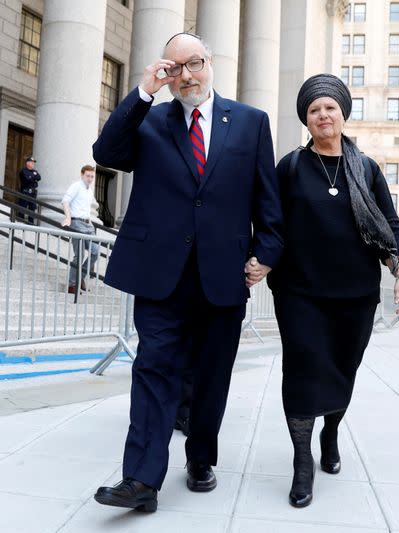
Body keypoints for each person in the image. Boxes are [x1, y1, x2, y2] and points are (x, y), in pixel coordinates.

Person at [91, 32, 283, 512]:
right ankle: (140, 479)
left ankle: (200, 457)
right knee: (153, 368)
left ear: (210, 62)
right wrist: (141, 92)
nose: (186, 75)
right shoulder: (151, 121)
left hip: (224, 275)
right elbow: (107, 154)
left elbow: (268, 202)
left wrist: (267, 252)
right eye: (175, 68)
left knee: (211, 375)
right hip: (160, 275)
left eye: (193, 63)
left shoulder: (250, 122)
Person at [266, 73, 399, 508]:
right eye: (314, 110)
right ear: (306, 120)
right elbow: (271, 224)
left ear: (343, 114)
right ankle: (302, 461)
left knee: (342, 370)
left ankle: (330, 431)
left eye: (330, 107)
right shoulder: (290, 168)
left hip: (355, 294)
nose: (323, 115)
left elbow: (390, 226)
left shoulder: (366, 169)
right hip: (299, 293)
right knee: (304, 369)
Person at [61, 165, 101, 295]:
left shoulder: (89, 190)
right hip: (76, 223)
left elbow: (85, 207)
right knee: (79, 255)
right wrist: (68, 218)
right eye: (88, 176)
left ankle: (81, 277)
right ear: (82, 175)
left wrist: (89, 220)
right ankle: (72, 284)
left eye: (92, 176)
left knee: (95, 252)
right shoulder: (76, 186)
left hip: (87, 225)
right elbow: (65, 201)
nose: (90, 178)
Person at [17, 156, 41, 224]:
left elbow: (39, 177)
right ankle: (20, 222)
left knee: (32, 208)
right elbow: (28, 179)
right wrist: (33, 177)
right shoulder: (23, 171)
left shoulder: (34, 171)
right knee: (23, 207)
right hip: (25, 192)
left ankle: (31, 223)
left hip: (32, 193)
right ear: (27, 163)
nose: (33, 164)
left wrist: (32, 176)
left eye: (33, 163)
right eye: (32, 162)